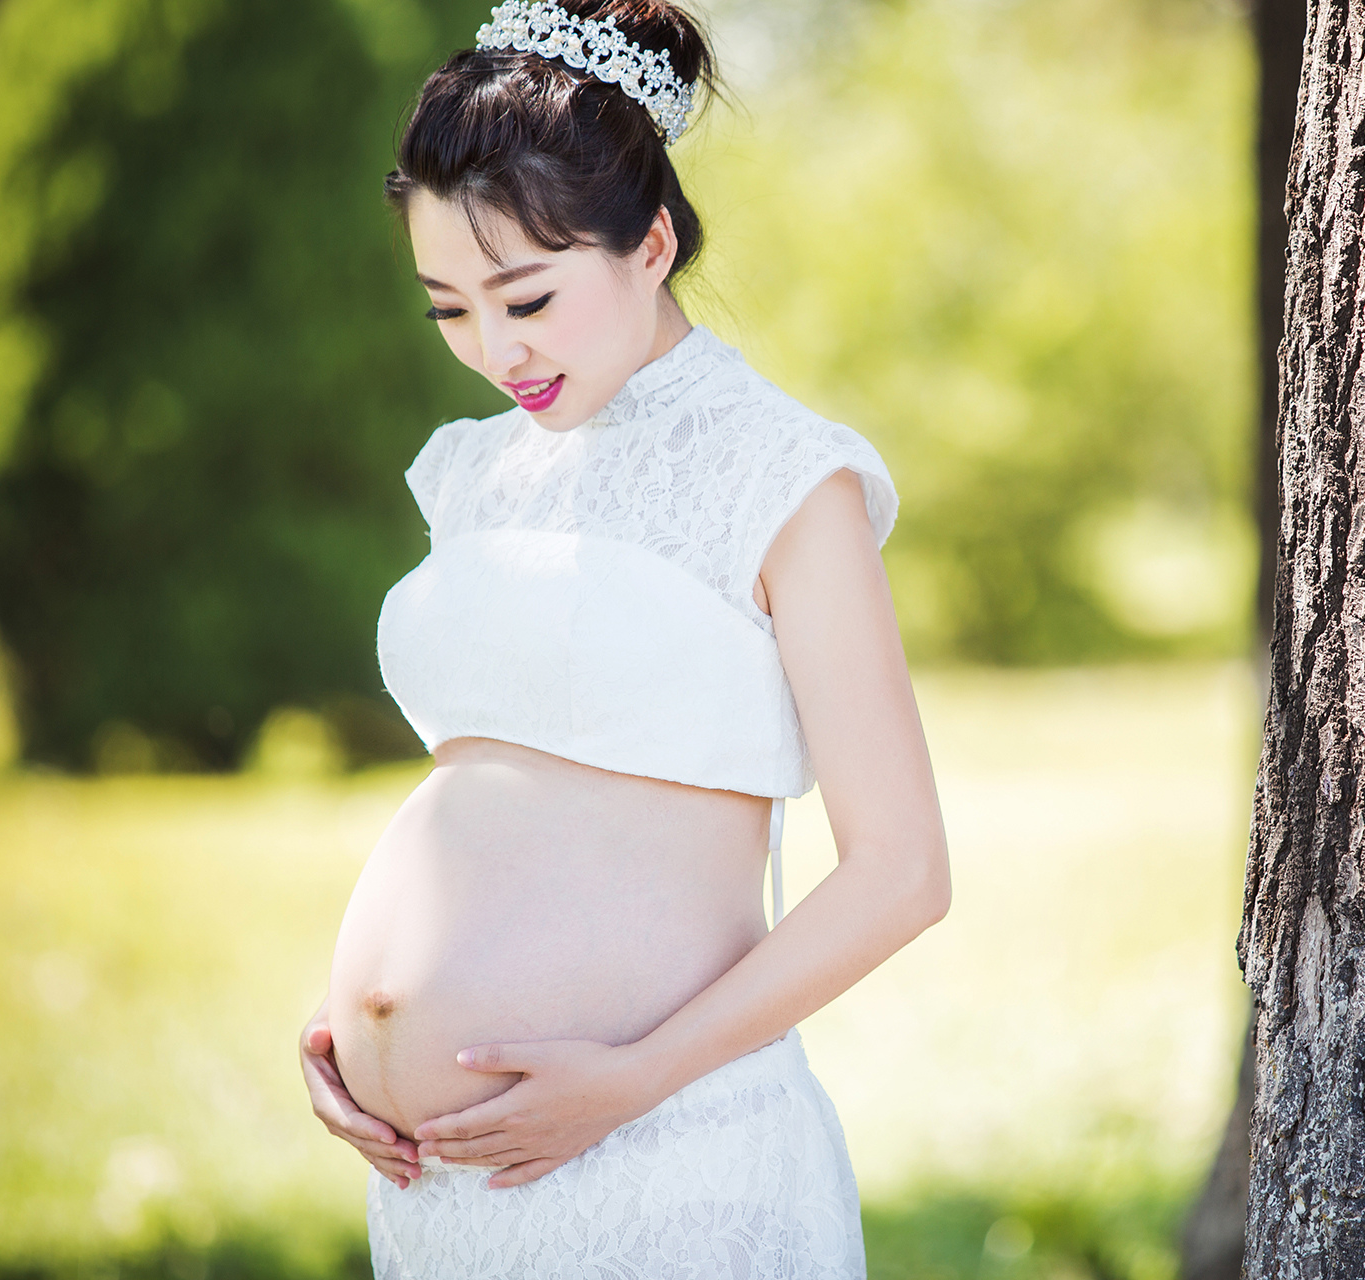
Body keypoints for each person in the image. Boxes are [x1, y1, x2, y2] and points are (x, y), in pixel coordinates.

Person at [294, 2, 951, 1274]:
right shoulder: (473, 473)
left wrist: (632, 1077)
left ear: (651, 243)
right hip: (442, 1189)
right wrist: (350, 1027)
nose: (496, 350)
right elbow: (492, 794)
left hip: (669, 1154)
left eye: (527, 296)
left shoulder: (781, 476)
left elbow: (902, 871)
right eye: (449, 309)